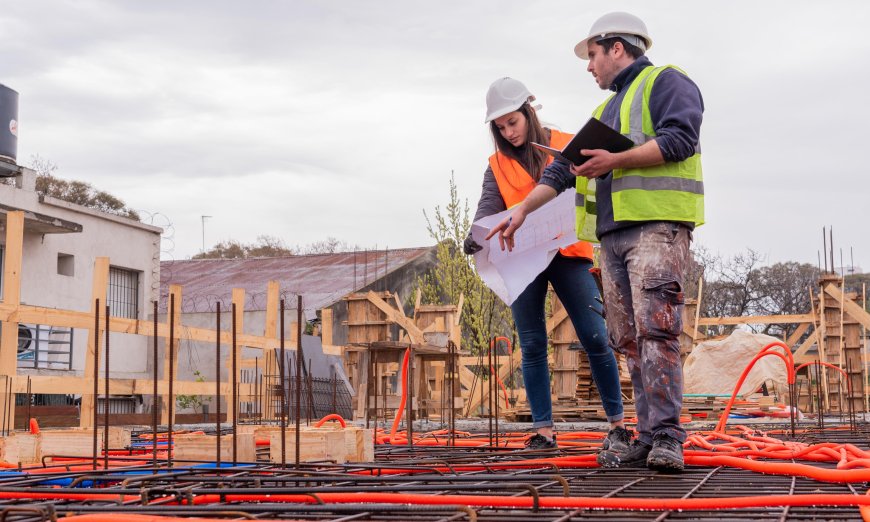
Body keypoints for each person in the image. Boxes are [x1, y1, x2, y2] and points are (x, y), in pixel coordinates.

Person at [485, 12, 704, 471]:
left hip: (656, 228)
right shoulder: (604, 112)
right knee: (627, 337)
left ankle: (666, 436)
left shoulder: (667, 82)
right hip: (614, 237)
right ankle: (646, 435)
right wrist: (523, 210)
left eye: (592, 55)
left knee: (657, 329)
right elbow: (563, 170)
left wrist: (616, 159)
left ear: (617, 48)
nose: (589, 66)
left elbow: (681, 138)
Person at [465, 77, 626, 451]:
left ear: (529, 112)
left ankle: (618, 425)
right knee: (533, 344)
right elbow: (489, 204)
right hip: (522, 258)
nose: (508, 132)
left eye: (513, 123)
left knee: (595, 337)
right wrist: (475, 235)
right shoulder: (497, 165)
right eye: (500, 127)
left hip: (569, 254)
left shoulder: (566, 143)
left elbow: (597, 183)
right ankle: (543, 432)